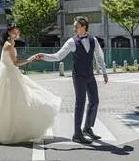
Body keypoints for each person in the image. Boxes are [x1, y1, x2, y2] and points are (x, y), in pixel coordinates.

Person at [36, 16, 108, 144]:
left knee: (94, 101)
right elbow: (58, 56)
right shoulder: (71, 42)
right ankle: (77, 134)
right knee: (80, 103)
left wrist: (104, 72)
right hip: (78, 76)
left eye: (76, 26)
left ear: (84, 27)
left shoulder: (94, 40)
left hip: (90, 75)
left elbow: (99, 56)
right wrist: (43, 56)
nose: (74, 29)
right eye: (74, 26)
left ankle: (87, 128)